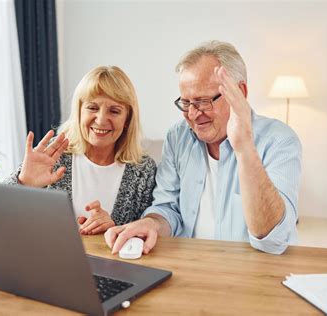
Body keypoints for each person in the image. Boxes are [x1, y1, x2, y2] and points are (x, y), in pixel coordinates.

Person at [105, 41, 302, 255]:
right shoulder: (178, 136)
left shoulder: (279, 140)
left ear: (240, 91)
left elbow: (274, 240)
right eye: (186, 103)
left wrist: (245, 148)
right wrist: (151, 223)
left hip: (257, 273)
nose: (193, 114)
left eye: (203, 101)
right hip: (192, 267)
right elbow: (167, 208)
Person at [4, 66, 156, 235]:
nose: (101, 120)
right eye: (92, 108)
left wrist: (115, 229)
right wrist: (23, 183)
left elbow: (147, 235)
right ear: (79, 111)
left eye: (114, 111)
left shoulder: (143, 170)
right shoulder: (55, 153)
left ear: (127, 118)